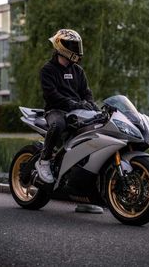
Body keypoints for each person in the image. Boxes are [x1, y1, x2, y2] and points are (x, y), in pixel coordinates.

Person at [35, 29, 99, 184]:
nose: (76, 49)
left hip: (77, 110)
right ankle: (44, 161)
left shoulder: (78, 70)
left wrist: (94, 107)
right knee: (57, 125)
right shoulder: (47, 70)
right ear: (60, 46)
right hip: (56, 110)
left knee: (96, 130)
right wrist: (72, 103)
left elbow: (86, 92)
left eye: (77, 45)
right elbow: (52, 95)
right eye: (72, 45)